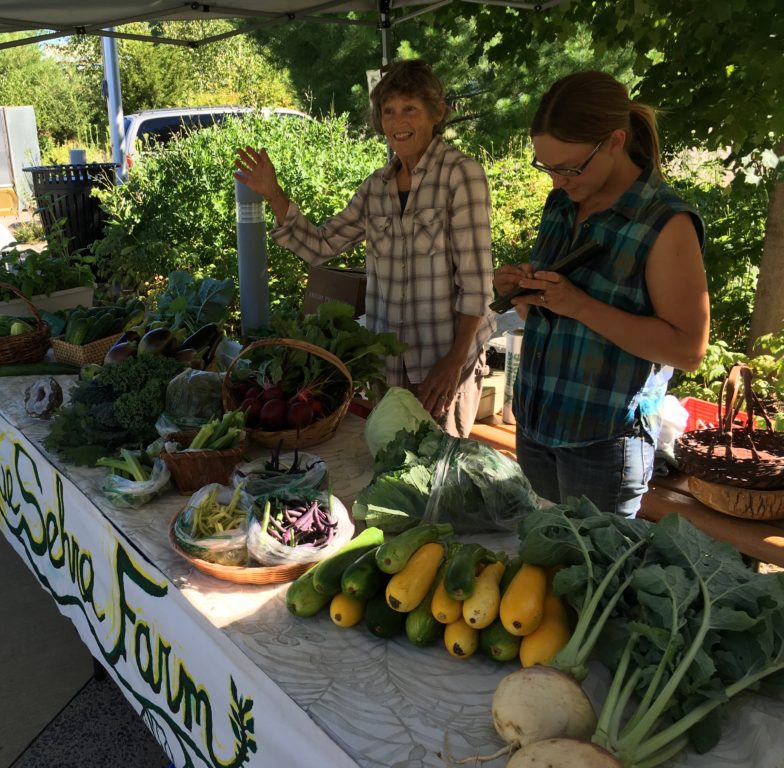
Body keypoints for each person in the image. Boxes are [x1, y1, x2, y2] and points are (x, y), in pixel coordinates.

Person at [234, 59, 495, 439]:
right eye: (388, 111)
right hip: (388, 365)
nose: (397, 121)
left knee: (438, 476)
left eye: (410, 108)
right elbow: (321, 246)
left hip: (442, 365)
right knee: (390, 466)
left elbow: (476, 283)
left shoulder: (461, 175)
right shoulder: (377, 187)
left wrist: (455, 361)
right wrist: (273, 194)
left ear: (436, 113)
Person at [493, 71, 710, 517]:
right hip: (537, 424)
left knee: (593, 577)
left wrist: (580, 304)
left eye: (568, 167)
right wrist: (524, 294)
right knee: (540, 567)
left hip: (604, 441)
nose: (556, 181)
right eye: (547, 167)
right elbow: (549, 320)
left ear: (613, 141)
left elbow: (688, 350)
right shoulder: (563, 204)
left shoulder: (665, 223)